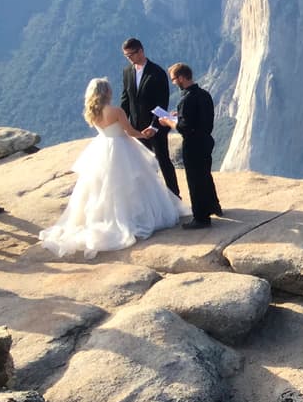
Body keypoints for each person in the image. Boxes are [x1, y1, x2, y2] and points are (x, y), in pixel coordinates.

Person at [39, 78, 185, 259]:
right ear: (106, 92)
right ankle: (134, 217)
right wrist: (145, 133)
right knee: (130, 182)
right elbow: (130, 132)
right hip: (120, 148)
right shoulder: (116, 111)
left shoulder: (92, 112)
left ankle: (101, 218)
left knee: (101, 187)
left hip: (102, 148)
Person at [159, 63, 221, 230]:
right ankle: (214, 206)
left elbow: (184, 127)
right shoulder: (204, 94)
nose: (173, 83)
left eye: (174, 79)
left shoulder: (187, 99)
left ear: (181, 78)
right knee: (206, 175)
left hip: (193, 145)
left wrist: (168, 121)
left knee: (195, 180)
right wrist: (178, 115)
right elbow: (200, 119)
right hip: (206, 141)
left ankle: (201, 217)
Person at [119, 37, 180, 196]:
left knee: (163, 161)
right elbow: (126, 99)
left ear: (140, 51)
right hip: (135, 128)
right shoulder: (127, 72)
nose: (129, 59)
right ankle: (149, 198)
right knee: (141, 165)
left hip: (155, 128)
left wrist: (154, 126)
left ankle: (174, 196)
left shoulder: (157, 72)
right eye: (126, 56)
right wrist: (123, 122)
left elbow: (162, 103)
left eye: (131, 54)